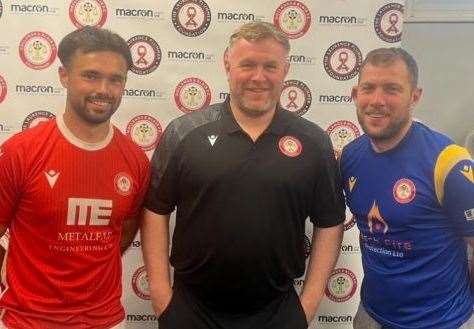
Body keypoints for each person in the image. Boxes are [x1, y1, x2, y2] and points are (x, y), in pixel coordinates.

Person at [141, 21, 345, 329]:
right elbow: (155, 209)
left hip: (278, 311)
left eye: (270, 66)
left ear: (286, 70)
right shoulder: (184, 133)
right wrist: (160, 295)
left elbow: (330, 221)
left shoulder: (313, 141)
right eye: (247, 64)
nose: (258, 77)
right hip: (192, 309)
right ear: (227, 64)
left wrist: (309, 303)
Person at [0, 26, 150, 328]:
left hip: (105, 321)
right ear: (64, 76)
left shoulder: (135, 160)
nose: (104, 90)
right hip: (27, 322)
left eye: (115, 79)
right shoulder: (20, 152)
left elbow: (123, 233)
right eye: (91, 75)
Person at [340, 47, 474, 329]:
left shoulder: (448, 162)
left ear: (415, 96)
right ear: (355, 94)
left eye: (391, 89)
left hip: (442, 321)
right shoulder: (350, 157)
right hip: (371, 316)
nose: (377, 100)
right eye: (369, 88)